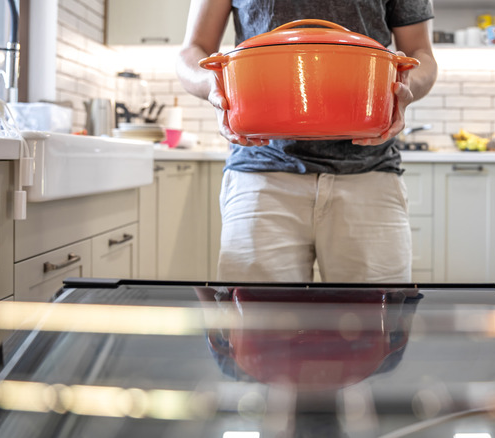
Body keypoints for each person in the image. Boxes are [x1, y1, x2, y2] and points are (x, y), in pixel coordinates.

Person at [177, 0, 438, 283]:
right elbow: (193, 50)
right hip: (261, 177)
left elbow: (420, 54)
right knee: (255, 322)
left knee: (377, 321)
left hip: (370, 177)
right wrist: (213, 84)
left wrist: (404, 85)